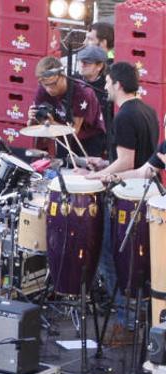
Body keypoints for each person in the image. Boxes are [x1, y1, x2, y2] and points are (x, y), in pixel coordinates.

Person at [82, 62, 160, 331]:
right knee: (138, 260)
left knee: (109, 255)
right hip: (145, 194)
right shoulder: (148, 110)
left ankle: (126, 322)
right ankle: (139, 315)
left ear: (117, 84)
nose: (104, 87)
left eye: (107, 82)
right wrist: (104, 164)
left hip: (126, 197)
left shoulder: (124, 116)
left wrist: (101, 176)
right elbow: (141, 159)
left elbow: (127, 162)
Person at [27, 56, 106, 159]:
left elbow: (74, 132)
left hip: (89, 137)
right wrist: (32, 119)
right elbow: (35, 126)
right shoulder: (42, 90)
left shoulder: (81, 93)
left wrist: (52, 124)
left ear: (63, 76)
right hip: (62, 134)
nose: (49, 89)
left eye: (53, 84)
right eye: (45, 84)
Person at [76, 45, 112, 134]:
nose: (82, 65)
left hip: (98, 138)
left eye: (87, 62)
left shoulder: (107, 87)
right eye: (81, 61)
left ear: (99, 66)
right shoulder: (72, 81)